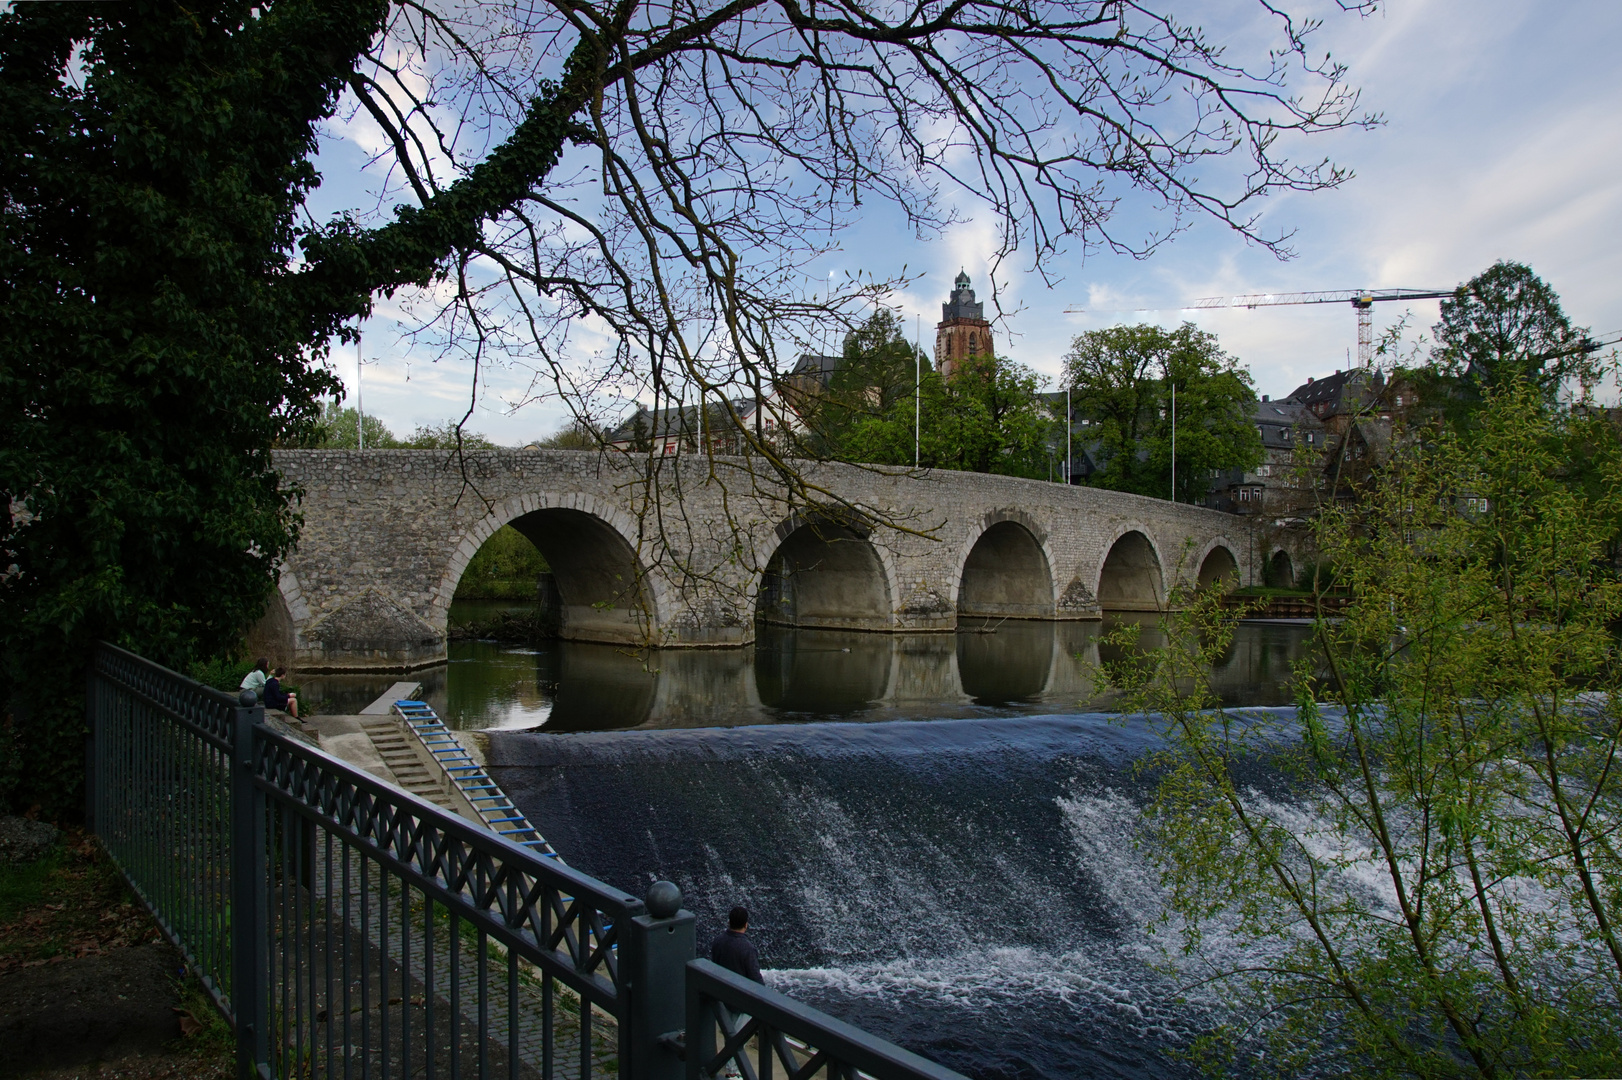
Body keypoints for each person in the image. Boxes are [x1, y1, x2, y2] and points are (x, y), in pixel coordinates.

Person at [709, 905, 763, 983]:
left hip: (720, 988)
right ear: (746, 925)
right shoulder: (748, 948)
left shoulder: (718, 940)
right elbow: (756, 978)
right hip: (739, 991)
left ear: (729, 922)